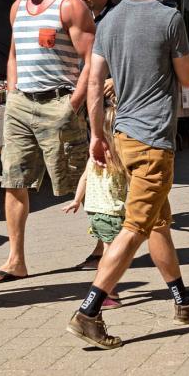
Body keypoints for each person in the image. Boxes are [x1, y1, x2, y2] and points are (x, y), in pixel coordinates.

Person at [67, 0, 189, 349]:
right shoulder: (170, 18)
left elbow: (94, 83)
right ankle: (88, 311)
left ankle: (185, 301)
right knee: (134, 229)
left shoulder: (109, 21)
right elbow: (185, 77)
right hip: (154, 139)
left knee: (157, 221)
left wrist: (96, 135)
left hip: (123, 137)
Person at [0, 0, 94, 286]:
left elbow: (92, 60)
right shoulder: (17, 6)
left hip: (58, 103)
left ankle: (105, 247)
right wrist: (13, 92)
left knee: (78, 180)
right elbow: (13, 54)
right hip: (21, 104)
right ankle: (16, 261)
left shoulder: (70, 6)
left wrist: (72, 104)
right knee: (13, 180)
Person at [63, 119, 127, 308]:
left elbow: (84, 176)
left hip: (96, 211)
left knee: (110, 251)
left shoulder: (95, 154)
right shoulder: (119, 155)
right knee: (111, 253)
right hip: (110, 212)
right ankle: (107, 291)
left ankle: (106, 290)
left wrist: (77, 200)